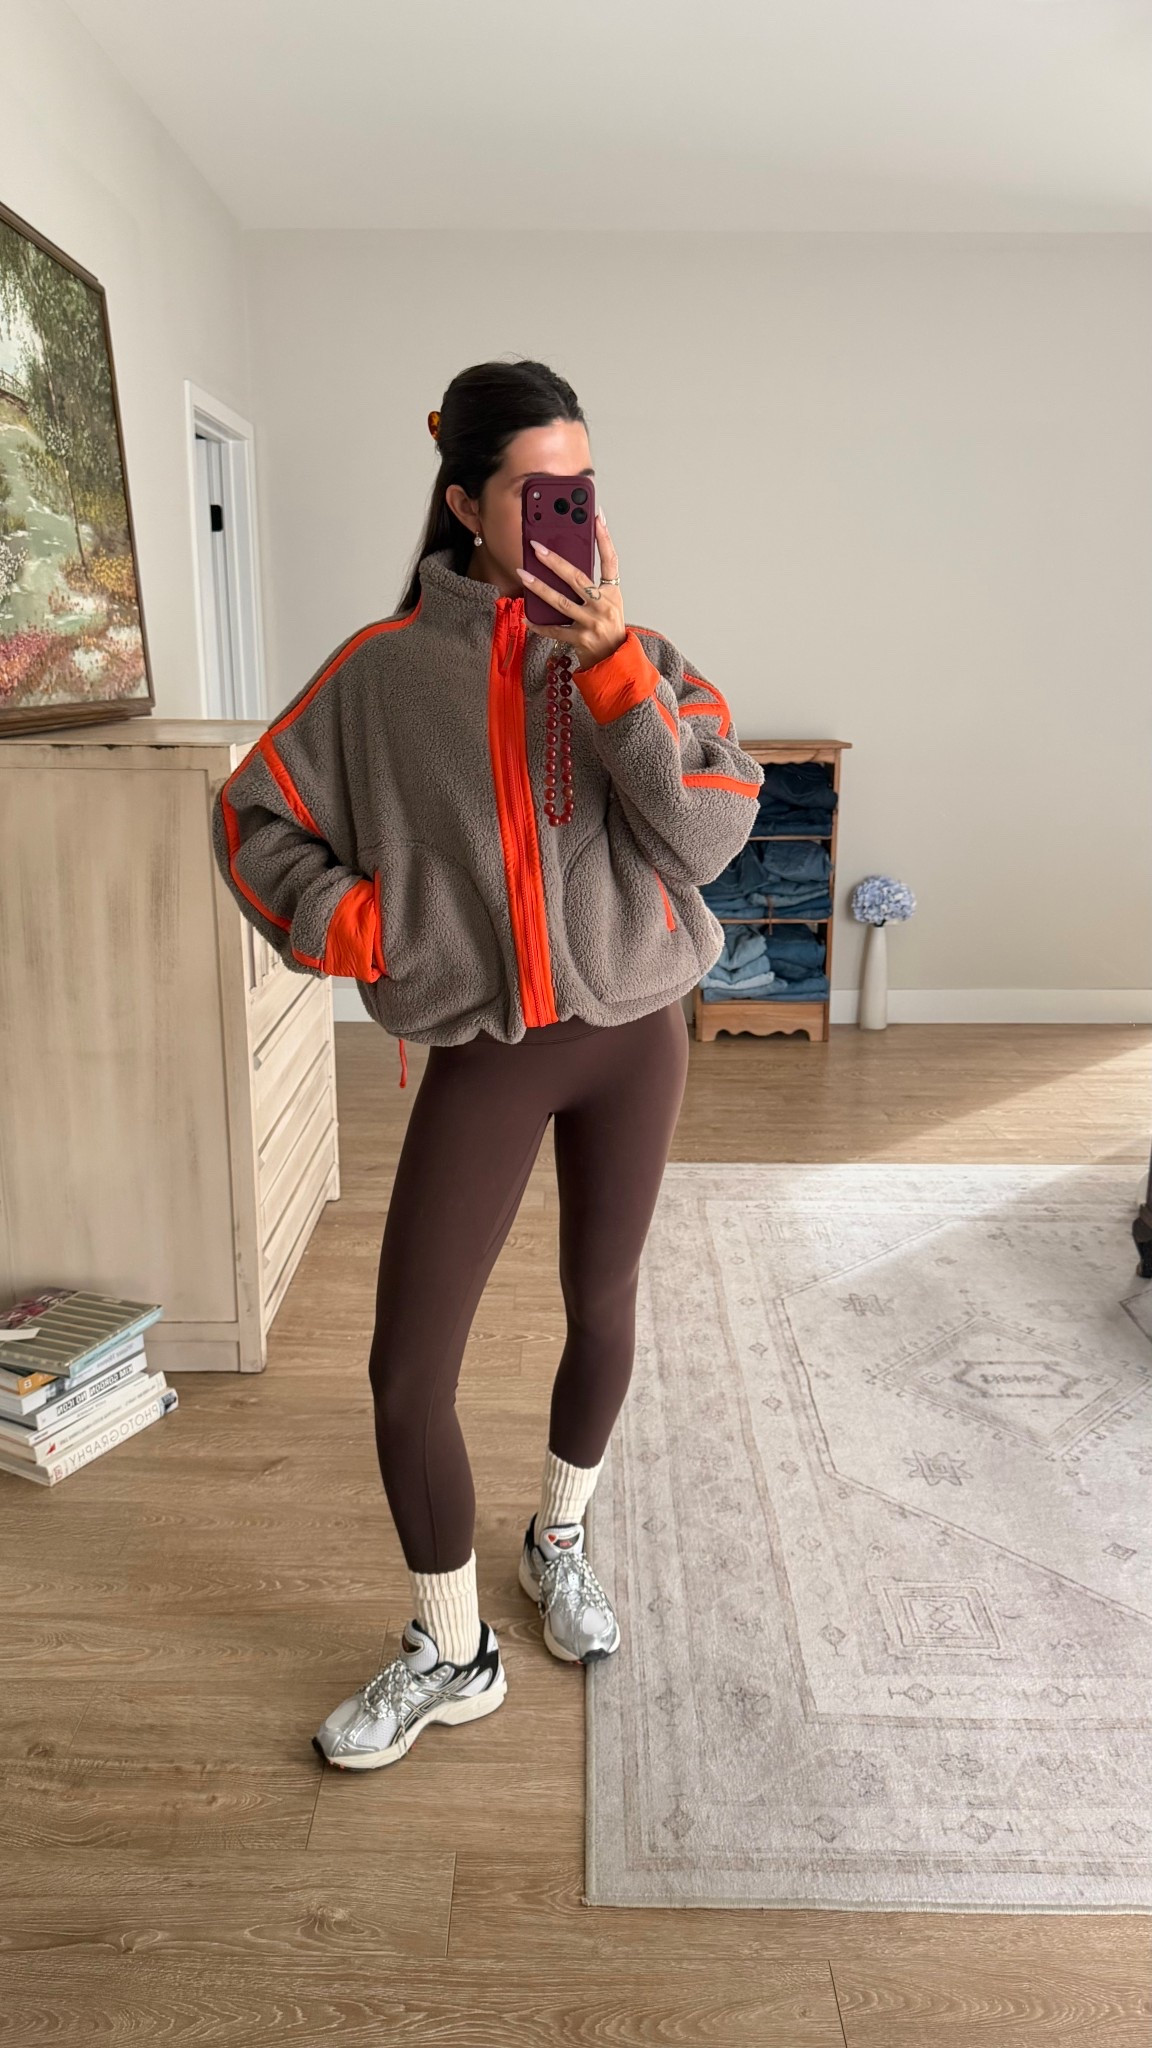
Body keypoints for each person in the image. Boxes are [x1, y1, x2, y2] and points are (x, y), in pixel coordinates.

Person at [211, 358, 764, 1770]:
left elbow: (709, 834)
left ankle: (557, 1541)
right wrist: (362, 923)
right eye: (539, 492)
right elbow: (252, 815)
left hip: (637, 1033)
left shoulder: (647, 658)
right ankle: (452, 1650)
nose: (573, 516)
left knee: (603, 1302)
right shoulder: (382, 672)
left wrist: (615, 670)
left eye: (585, 488)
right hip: (491, 1048)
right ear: (464, 502)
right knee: (408, 1369)